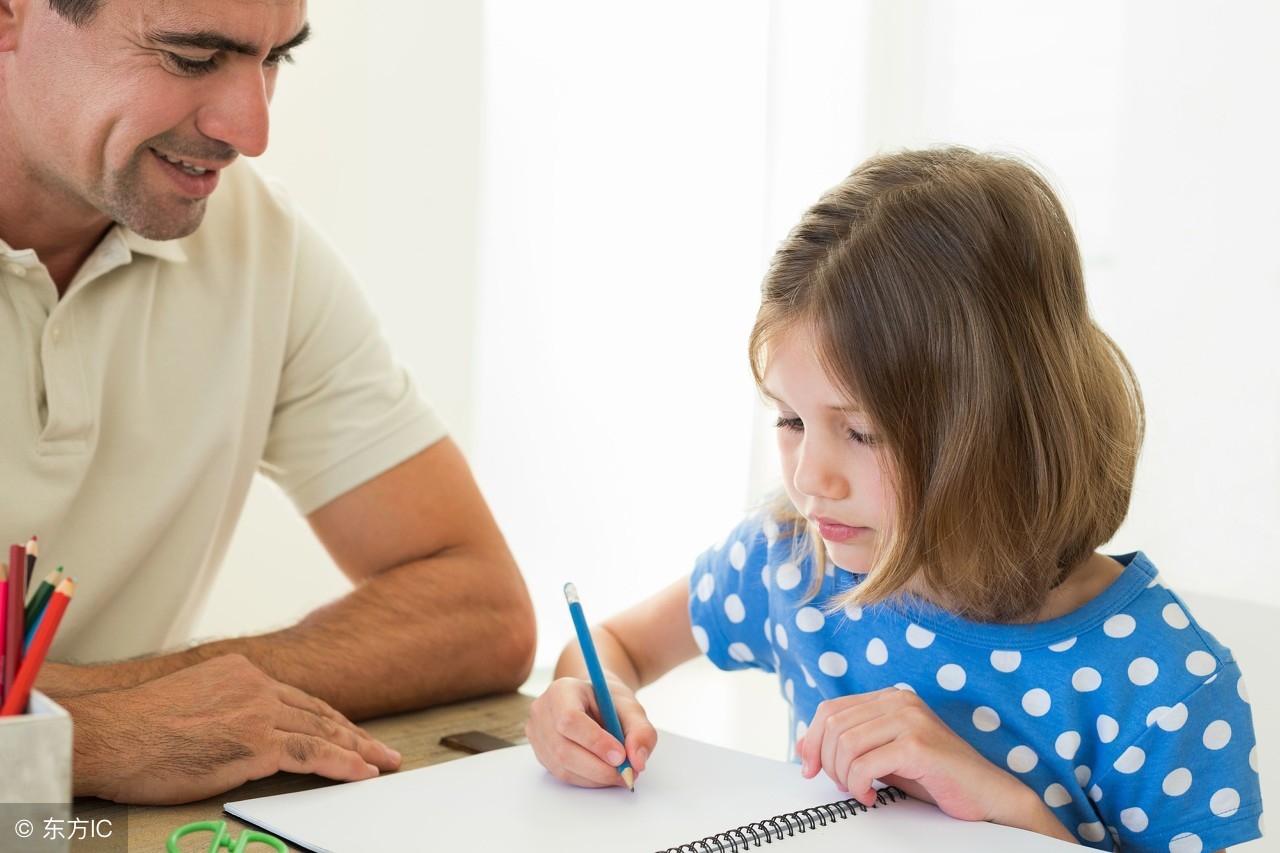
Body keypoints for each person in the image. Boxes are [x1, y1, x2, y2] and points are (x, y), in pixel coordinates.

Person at [526, 147, 1263, 851]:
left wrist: (1003, 806)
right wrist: (586, 700)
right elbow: (614, 647)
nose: (811, 477)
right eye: (790, 419)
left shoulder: (1161, 683)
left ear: (1001, 427)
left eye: (863, 432)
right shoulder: (793, 561)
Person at [0, 0, 536, 804]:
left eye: (276, 57)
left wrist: (143, 697)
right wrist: (88, 740)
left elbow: (481, 608)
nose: (251, 131)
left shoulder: (258, 243)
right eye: (189, 58)